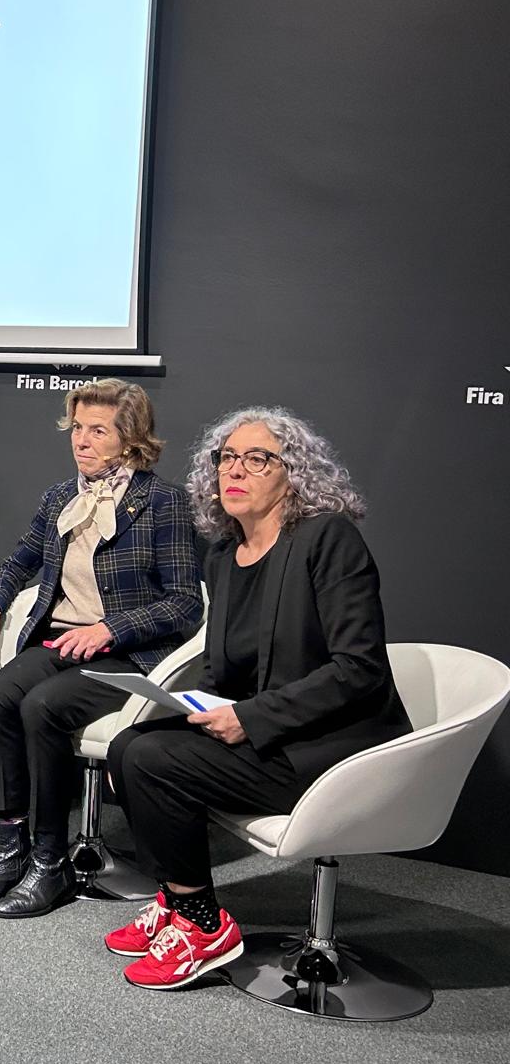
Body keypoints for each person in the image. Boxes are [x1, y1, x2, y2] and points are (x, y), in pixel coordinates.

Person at [102, 407, 409, 990]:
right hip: (269, 734)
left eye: (257, 458)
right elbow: (228, 668)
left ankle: (202, 925)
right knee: (128, 746)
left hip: (332, 747)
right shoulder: (224, 554)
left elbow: (359, 669)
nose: (235, 470)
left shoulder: (328, 539)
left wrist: (250, 717)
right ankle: (176, 900)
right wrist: (192, 706)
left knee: (154, 761)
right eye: (226, 458)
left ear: (294, 474)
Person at [0, 379, 202, 916]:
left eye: (98, 431)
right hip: (62, 640)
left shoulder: (163, 503)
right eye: (77, 428)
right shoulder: (60, 498)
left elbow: (185, 603)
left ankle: (50, 860)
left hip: (128, 652)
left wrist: (112, 629)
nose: (81, 441)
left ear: (130, 439)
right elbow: (18, 562)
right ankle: (9, 851)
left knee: (43, 706)